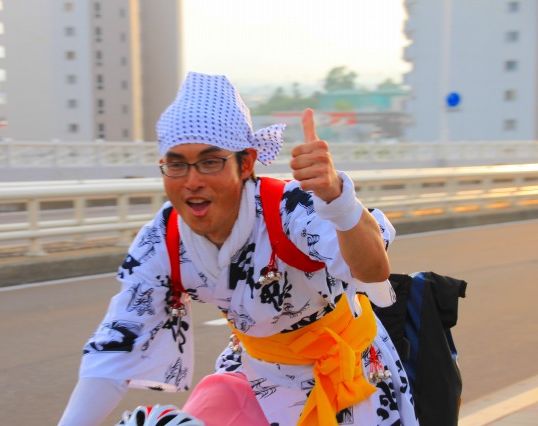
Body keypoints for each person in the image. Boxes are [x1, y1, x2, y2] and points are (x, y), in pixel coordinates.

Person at [58, 72, 418, 426]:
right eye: (177, 164)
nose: (192, 181)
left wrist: (338, 201)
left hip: (347, 376)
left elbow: (372, 270)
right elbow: (118, 345)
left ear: (245, 163)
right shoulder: (162, 239)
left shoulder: (291, 207)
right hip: (256, 375)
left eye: (210, 162)